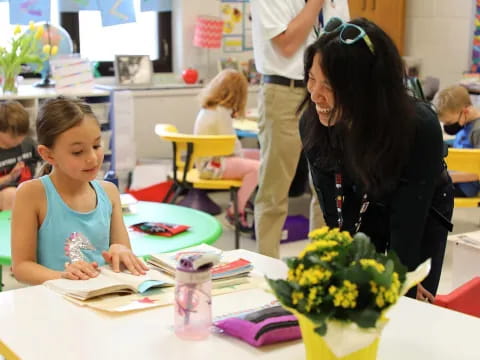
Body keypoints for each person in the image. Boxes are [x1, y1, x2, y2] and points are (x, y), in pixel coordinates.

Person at [299, 17, 454, 301]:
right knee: (356, 289)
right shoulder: (313, 124)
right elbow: (337, 214)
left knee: (409, 298)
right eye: (311, 78)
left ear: (365, 88)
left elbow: (408, 223)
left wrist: (402, 278)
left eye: (329, 85)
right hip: (360, 196)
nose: (315, 95)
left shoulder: (418, 128)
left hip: (420, 202)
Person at [11, 97, 148, 285]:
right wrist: (62, 276)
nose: (92, 158)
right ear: (48, 154)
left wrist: (121, 251)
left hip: (103, 297)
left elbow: (122, 249)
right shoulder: (31, 194)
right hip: (55, 302)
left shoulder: (109, 192)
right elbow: (22, 267)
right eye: (77, 152)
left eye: (96, 146)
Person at [250, 0, 326, 258]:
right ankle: (266, 268)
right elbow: (287, 44)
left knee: (326, 186)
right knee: (274, 189)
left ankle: (322, 267)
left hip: (328, 91)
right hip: (285, 91)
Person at [194, 69, 260, 232]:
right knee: (259, 167)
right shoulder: (221, 112)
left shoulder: (211, 108)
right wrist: (245, 161)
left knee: (259, 156)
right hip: (212, 167)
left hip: (208, 161)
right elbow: (231, 145)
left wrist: (244, 159)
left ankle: (244, 196)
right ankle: (235, 211)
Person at [434, 85, 480, 197]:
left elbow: (477, 171)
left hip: (465, 187)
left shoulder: (477, 131)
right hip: (453, 177)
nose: (447, 126)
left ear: (465, 111)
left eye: (449, 122)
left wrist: (448, 177)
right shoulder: (464, 123)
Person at [0, 101, 40, 210]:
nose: (20, 139)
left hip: (26, 190)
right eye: (13, 136)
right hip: (6, 194)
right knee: (11, 194)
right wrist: (10, 177)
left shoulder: (28, 143)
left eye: (22, 135)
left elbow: (48, 158)